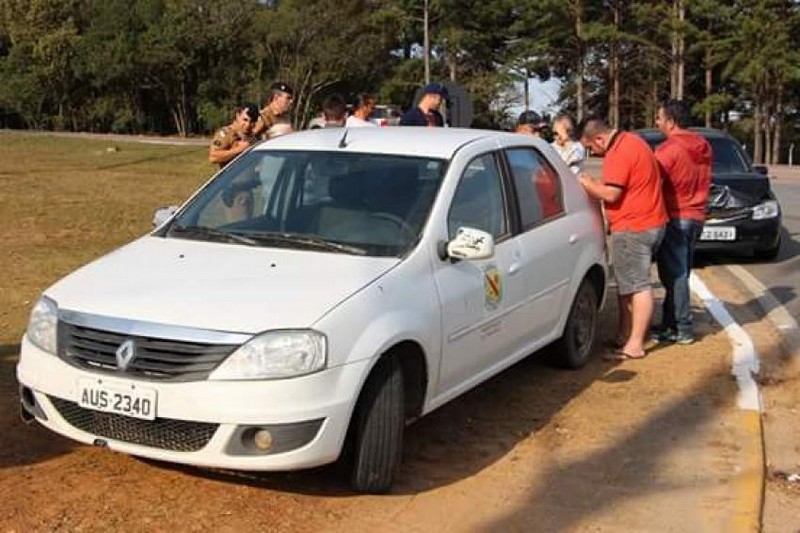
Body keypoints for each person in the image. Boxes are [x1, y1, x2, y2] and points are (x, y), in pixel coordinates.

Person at [577, 116, 668, 360]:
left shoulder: (619, 151)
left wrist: (586, 184)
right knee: (628, 284)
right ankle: (625, 335)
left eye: (591, 147)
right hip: (649, 221)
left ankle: (635, 344)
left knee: (637, 286)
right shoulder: (635, 142)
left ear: (599, 138)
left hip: (634, 226)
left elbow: (611, 194)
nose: (592, 153)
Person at [652, 99, 713, 345]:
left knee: (675, 275)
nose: (657, 122)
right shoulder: (704, 145)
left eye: (659, 117)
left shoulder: (669, 149)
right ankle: (669, 324)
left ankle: (683, 327)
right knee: (680, 272)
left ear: (670, 121)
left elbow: (653, 180)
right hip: (697, 215)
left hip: (676, 216)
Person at [208, 103, 259, 169]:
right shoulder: (226, 133)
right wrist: (239, 149)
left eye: (252, 121)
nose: (248, 125)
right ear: (237, 116)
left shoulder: (253, 136)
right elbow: (213, 158)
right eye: (245, 120)